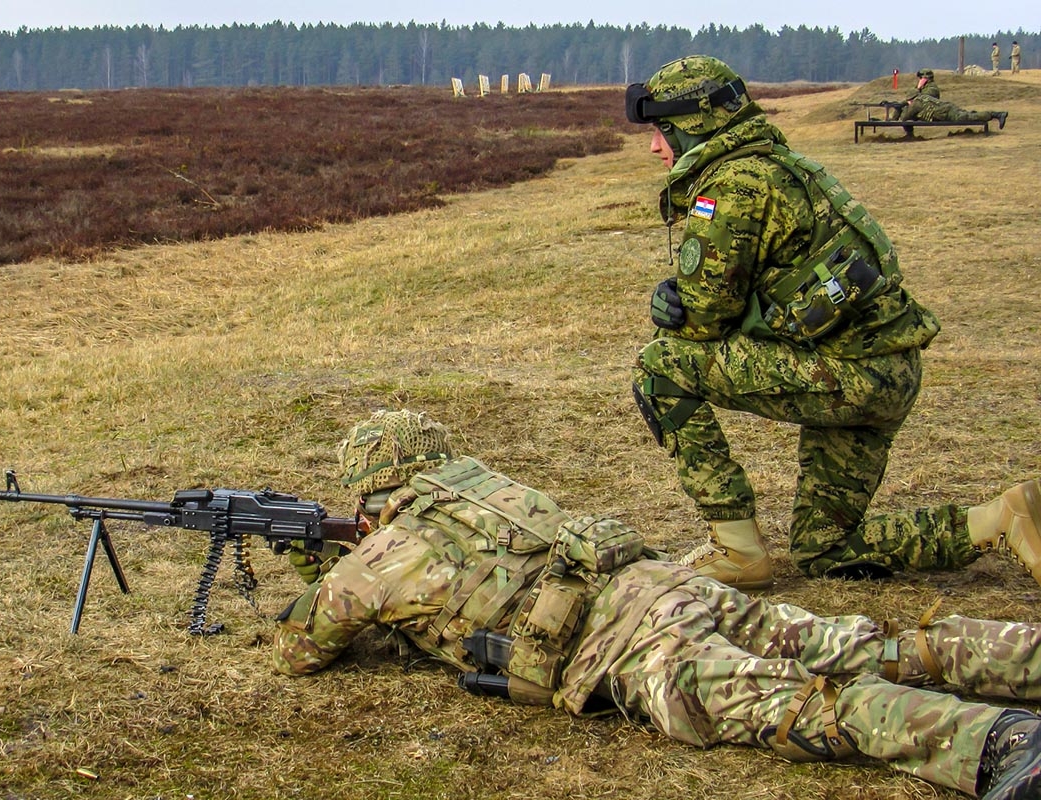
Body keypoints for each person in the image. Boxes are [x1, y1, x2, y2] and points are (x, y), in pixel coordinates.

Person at [275, 409, 1041, 800]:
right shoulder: (493, 491)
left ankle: (1002, 743)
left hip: (641, 650)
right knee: (871, 644)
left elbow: (302, 652)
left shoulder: (379, 556)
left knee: (806, 710)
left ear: (369, 485)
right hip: (671, 584)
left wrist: (330, 569)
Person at [623, 55, 1034, 588]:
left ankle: (735, 548)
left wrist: (670, 299)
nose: (656, 146)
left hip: (850, 375)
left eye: (661, 131)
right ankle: (997, 521)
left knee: (660, 365)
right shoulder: (778, 164)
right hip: (887, 369)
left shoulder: (733, 184)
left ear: (694, 124)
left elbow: (701, 322)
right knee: (826, 552)